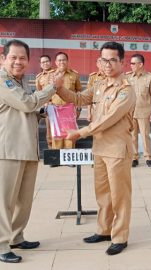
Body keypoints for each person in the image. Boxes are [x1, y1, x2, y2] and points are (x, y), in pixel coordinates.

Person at [56, 41, 136, 255]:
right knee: (103, 194)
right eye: (103, 60)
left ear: (122, 61)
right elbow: (80, 98)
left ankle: (120, 236)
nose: (107, 65)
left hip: (118, 149)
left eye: (112, 60)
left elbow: (109, 119)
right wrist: (59, 88)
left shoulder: (126, 90)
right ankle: (103, 230)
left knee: (120, 195)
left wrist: (80, 133)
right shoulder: (100, 85)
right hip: (100, 148)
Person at [0, 39, 62, 263]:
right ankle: (1, 244)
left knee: (24, 200)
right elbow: (26, 104)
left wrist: (45, 111)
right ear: (3, 59)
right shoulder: (3, 81)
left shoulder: (21, 81)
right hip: (8, 150)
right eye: (13, 57)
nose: (18, 62)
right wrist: (52, 87)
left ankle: (16, 237)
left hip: (27, 148)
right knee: (4, 201)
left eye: (23, 58)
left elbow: (26, 110)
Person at [126, 54, 151, 168]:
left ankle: (148, 158)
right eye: (131, 63)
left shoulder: (149, 77)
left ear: (140, 64)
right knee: (132, 136)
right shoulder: (127, 77)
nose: (131, 65)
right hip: (131, 112)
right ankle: (134, 158)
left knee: (145, 136)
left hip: (144, 111)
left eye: (133, 63)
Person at [50, 51, 82, 149]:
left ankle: (69, 157)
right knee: (57, 134)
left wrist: (78, 107)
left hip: (69, 109)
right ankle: (56, 158)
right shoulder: (51, 75)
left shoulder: (74, 75)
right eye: (59, 60)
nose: (62, 62)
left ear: (67, 61)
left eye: (64, 60)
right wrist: (48, 105)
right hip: (55, 109)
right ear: (55, 62)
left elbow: (79, 91)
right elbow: (46, 92)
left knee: (70, 133)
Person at [35, 55, 53, 148]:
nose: (45, 64)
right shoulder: (39, 77)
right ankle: (52, 154)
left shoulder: (57, 73)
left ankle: (63, 152)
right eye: (43, 62)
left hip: (60, 105)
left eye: (47, 61)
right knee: (49, 130)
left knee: (62, 129)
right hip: (48, 107)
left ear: (51, 62)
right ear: (40, 64)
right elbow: (39, 93)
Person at [86, 57, 105, 122]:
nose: (101, 64)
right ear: (97, 64)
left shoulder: (111, 77)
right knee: (95, 130)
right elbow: (89, 96)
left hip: (107, 109)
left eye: (103, 61)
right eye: (99, 62)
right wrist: (88, 113)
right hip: (95, 109)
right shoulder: (93, 77)